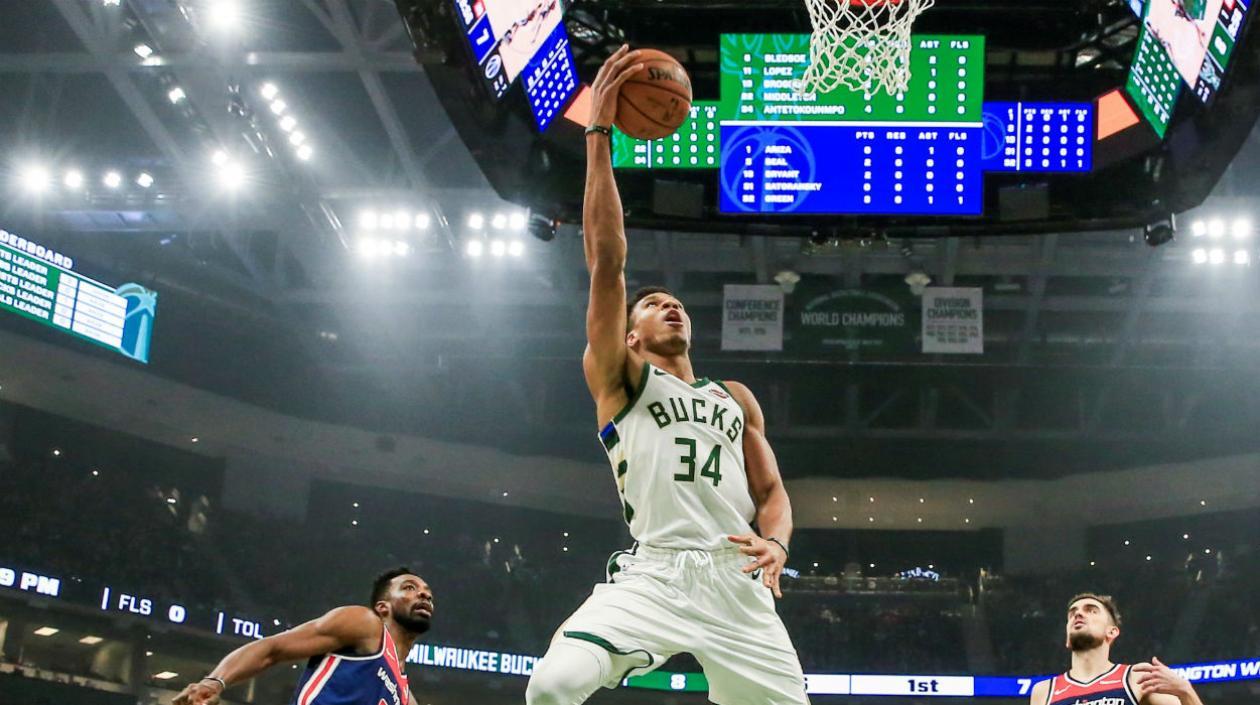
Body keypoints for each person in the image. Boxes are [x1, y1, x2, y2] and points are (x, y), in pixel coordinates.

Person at [524, 45, 808, 705]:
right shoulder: (619, 378)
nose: (670, 305)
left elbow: (772, 491)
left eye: (675, 303)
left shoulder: (733, 396)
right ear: (629, 333)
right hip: (653, 571)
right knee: (551, 686)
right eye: (653, 304)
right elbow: (606, 260)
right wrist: (598, 133)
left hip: (736, 578)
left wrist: (779, 545)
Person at [172, 567, 433, 705]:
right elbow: (272, 648)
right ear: (382, 606)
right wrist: (215, 682)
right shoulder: (364, 624)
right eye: (409, 588)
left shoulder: (404, 694)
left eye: (427, 591)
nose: (424, 594)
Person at [1028, 593, 1206, 705]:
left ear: (1112, 632)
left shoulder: (1136, 678)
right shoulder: (1044, 691)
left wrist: (1185, 690)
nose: (1078, 614)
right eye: (1073, 613)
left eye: (1091, 610)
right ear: (1067, 638)